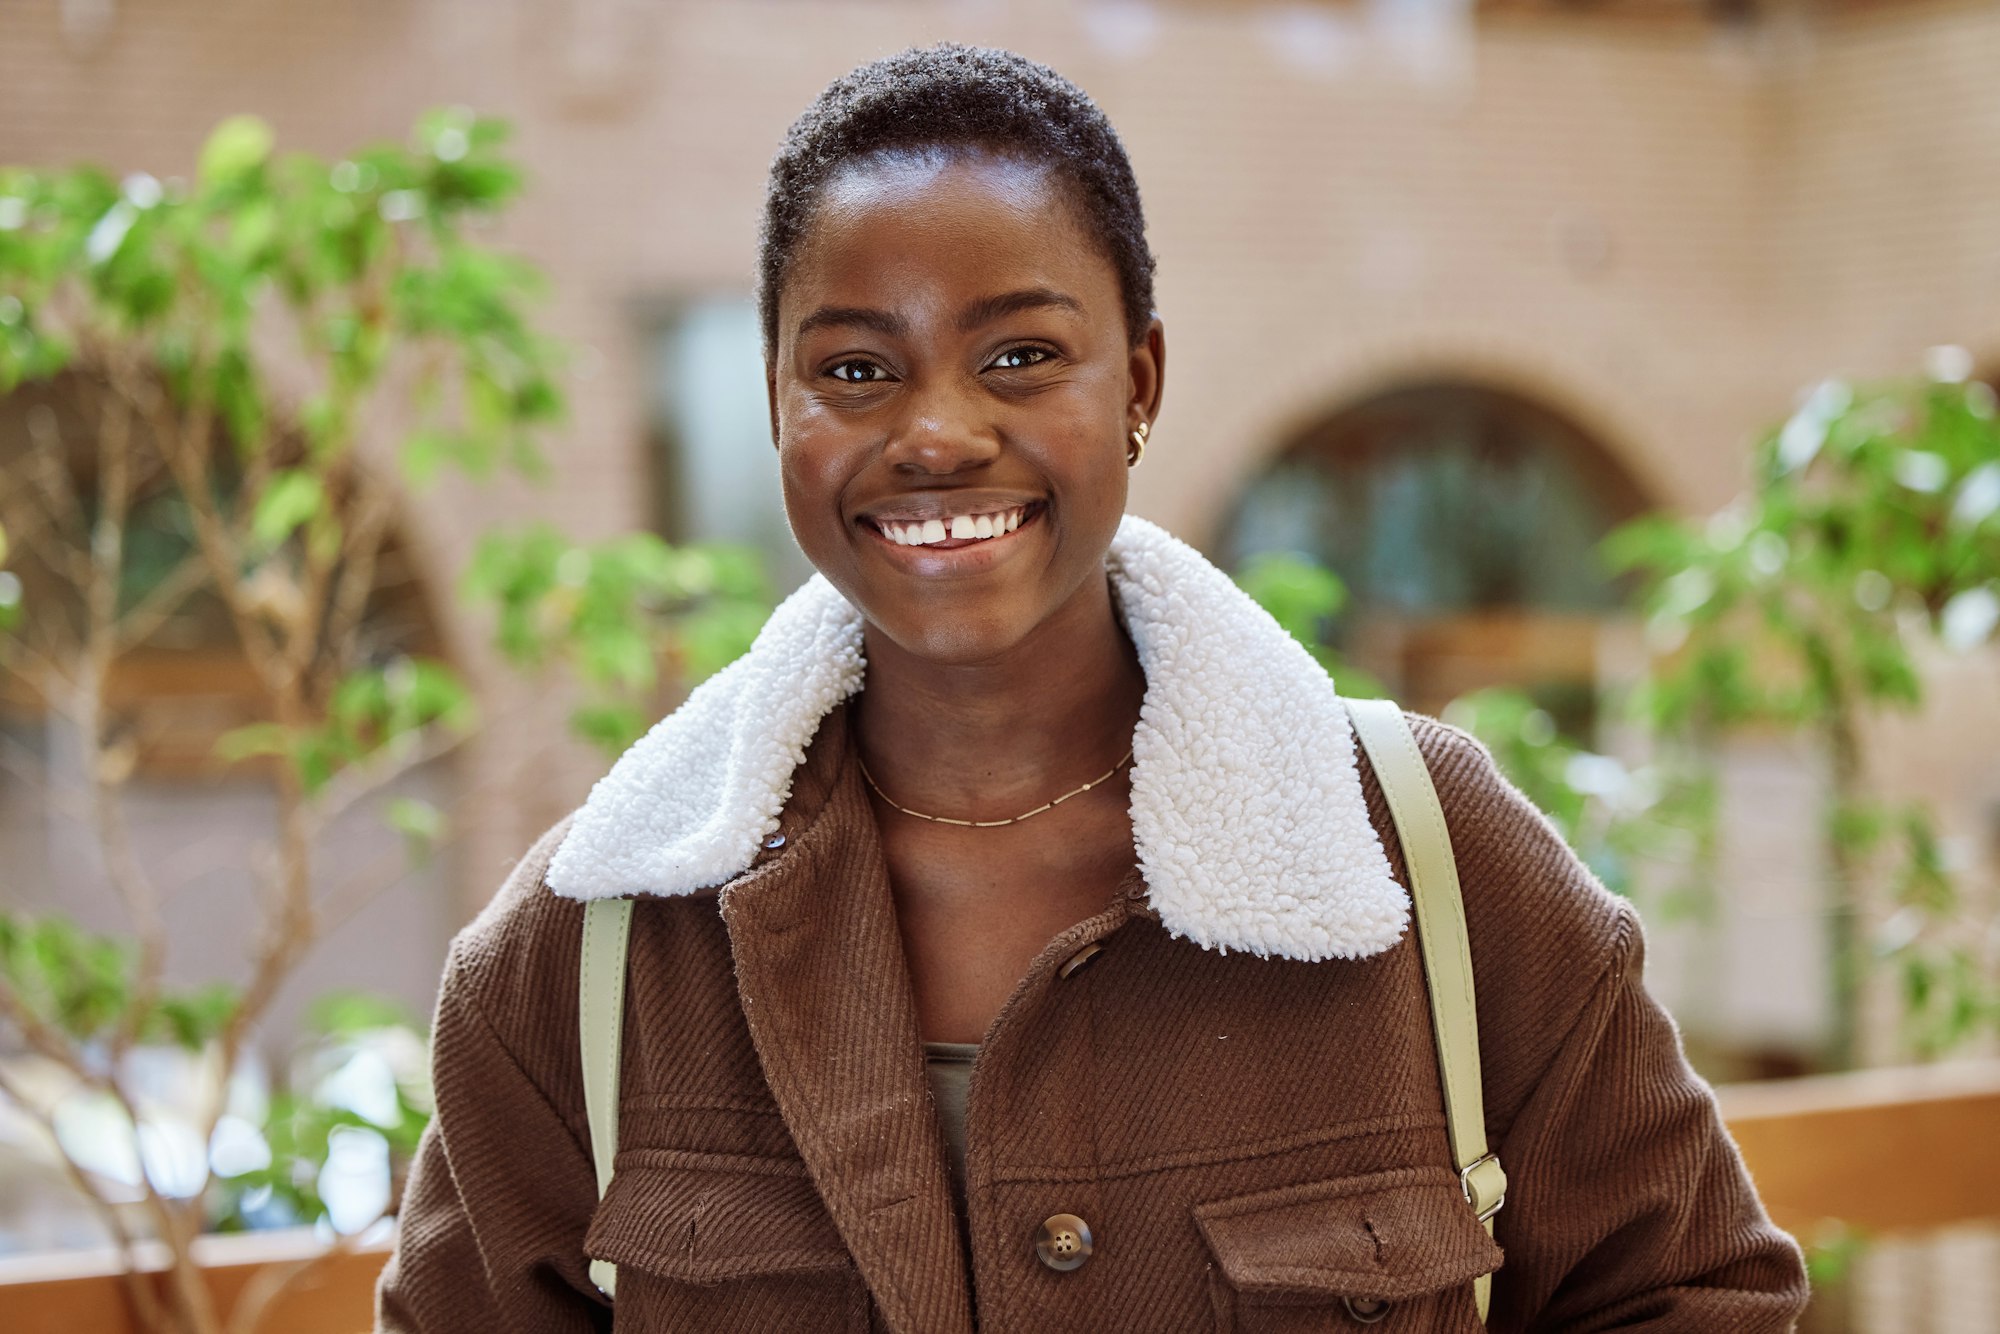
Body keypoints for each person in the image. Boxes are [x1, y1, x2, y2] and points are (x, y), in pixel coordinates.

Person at [377, 43, 1809, 1333]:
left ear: (1140, 379)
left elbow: (1696, 1296)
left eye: (1020, 355)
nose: (937, 432)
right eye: (857, 368)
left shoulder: (1427, 860)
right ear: (776, 407)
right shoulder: (588, 951)